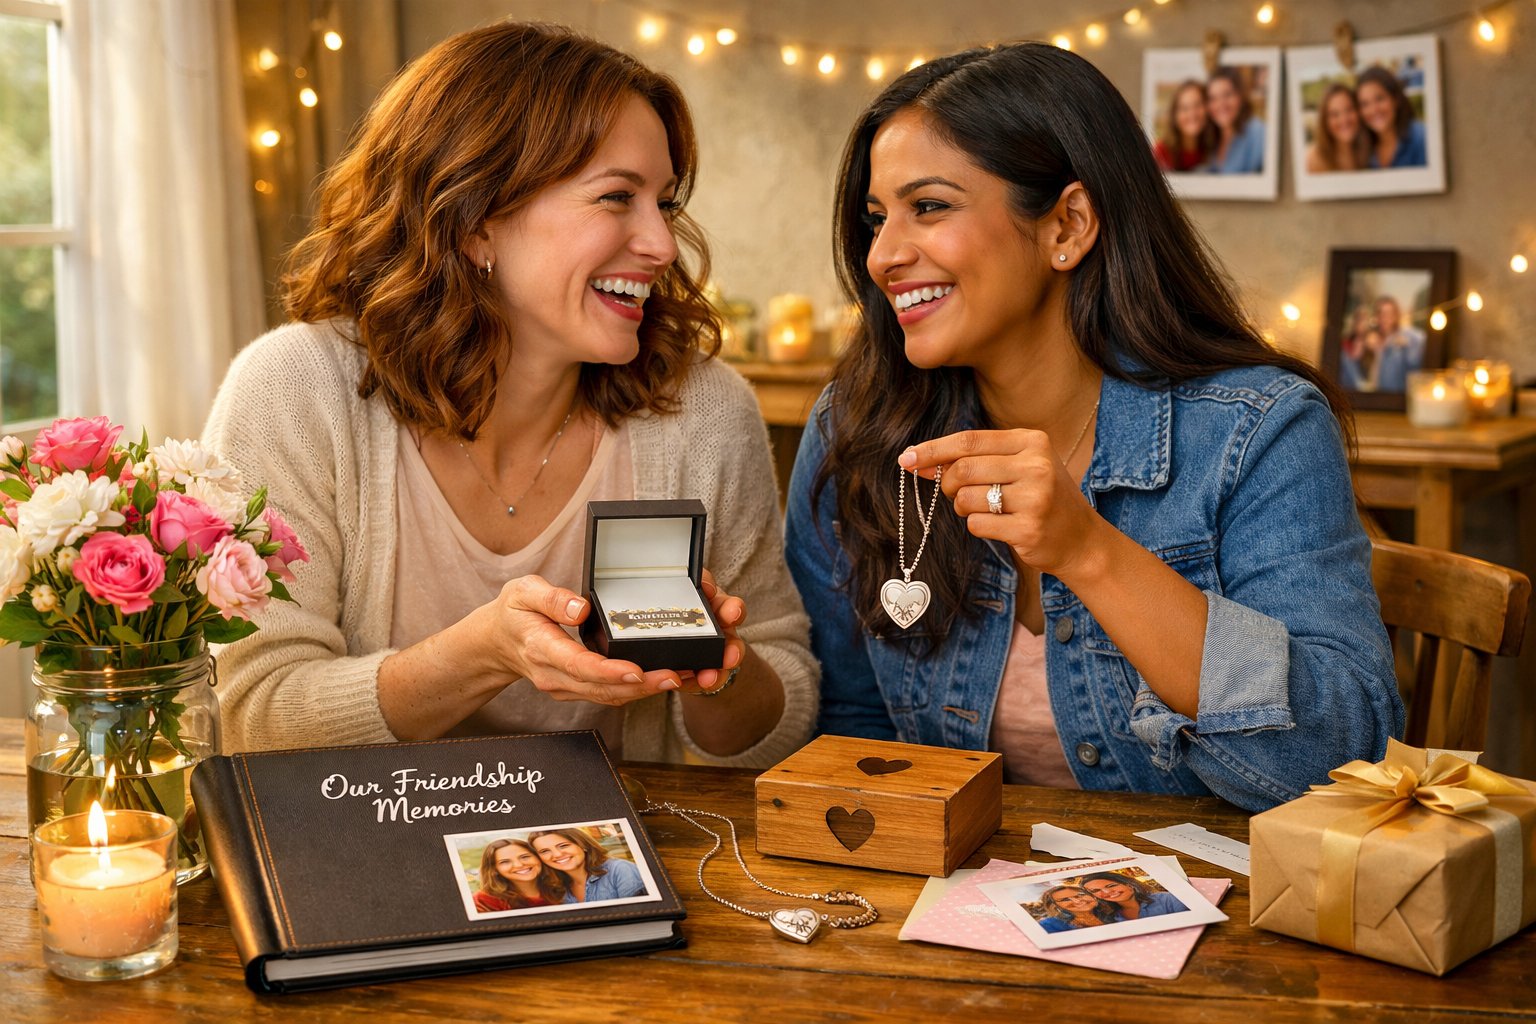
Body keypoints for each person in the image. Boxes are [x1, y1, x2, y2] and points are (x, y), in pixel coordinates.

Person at [784, 42, 1402, 813]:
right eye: (877, 219)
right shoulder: (861, 428)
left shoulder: (1257, 433)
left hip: (1222, 911)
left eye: (930, 207)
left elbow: (1341, 756)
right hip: (945, 901)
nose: (883, 256)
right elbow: (851, 733)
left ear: (1067, 225)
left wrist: (1088, 551)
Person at [202, 22, 817, 763]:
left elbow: (785, 710)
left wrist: (713, 670)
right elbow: (247, 715)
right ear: (475, 223)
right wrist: (486, 653)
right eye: (618, 197)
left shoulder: (703, 413)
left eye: (665, 203)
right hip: (360, 853)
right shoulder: (294, 392)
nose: (661, 244)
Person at [529, 828, 646, 902]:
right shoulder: (554, 888)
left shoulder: (620, 869)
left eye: (563, 845)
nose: (557, 854)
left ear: (583, 845)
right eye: (544, 851)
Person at [1357, 66, 1427, 169]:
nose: (1374, 110)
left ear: (1395, 99)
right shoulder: (1364, 149)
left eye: (1379, 99)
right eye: (1365, 104)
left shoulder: (1422, 138)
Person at [474, 837, 565, 913]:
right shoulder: (484, 900)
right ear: (494, 870)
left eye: (525, 857)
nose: (519, 865)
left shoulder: (563, 888)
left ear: (538, 857)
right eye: (505, 862)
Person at [1204, 67, 1265, 174]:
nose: (1221, 104)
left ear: (1240, 96)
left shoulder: (1258, 132)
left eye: (1227, 95)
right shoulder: (1213, 135)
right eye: (1213, 98)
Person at [1305, 83, 1369, 173]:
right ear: (1325, 121)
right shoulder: (1311, 160)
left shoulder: (1368, 153)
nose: (1344, 119)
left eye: (1349, 109)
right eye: (1334, 114)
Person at [1152, 80, 1213, 173]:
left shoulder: (1214, 149)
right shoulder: (1162, 152)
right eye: (1184, 108)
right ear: (1175, 115)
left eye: (1197, 105)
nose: (1192, 114)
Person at [1079, 871, 1188, 919]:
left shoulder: (1167, 899)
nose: (1106, 893)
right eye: (1096, 890)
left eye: (1111, 886)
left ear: (1129, 885)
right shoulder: (1105, 915)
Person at [1373, 295, 1425, 389]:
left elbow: (1422, 341)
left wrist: (1408, 346)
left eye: (1388, 314)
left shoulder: (1407, 336)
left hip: (1398, 397)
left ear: (1395, 316)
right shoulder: (1373, 340)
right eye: (1380, 313)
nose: (1384, 318)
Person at [1035, 885, 1123, 932]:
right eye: (1065, 899)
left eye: (1081, 895)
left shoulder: (1117, 912)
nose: (1077, 901)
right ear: (1055, 906)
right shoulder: (1049, 925)